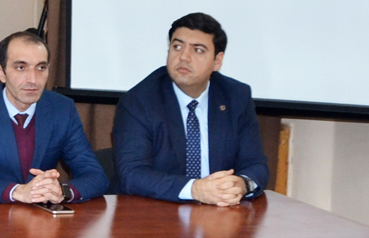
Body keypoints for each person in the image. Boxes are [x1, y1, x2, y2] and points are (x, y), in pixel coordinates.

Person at [112, 12, 269, 206]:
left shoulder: (236, 97)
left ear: (217, 61)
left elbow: (255, 165)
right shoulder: (139, 101)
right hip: (158, 213)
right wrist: (195, 189)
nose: (184, 57)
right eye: (177, 47)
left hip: (220, 214)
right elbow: (133, 174)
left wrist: (241, 184)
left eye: (198, 50)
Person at [0, 29, 108, 204]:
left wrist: (62, 191)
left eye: (41, 68)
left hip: (41, 216)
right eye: (21, 68)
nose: (33, 80)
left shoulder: (61, 109)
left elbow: (95, 176)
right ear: (0, 72)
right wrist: (16, 191)